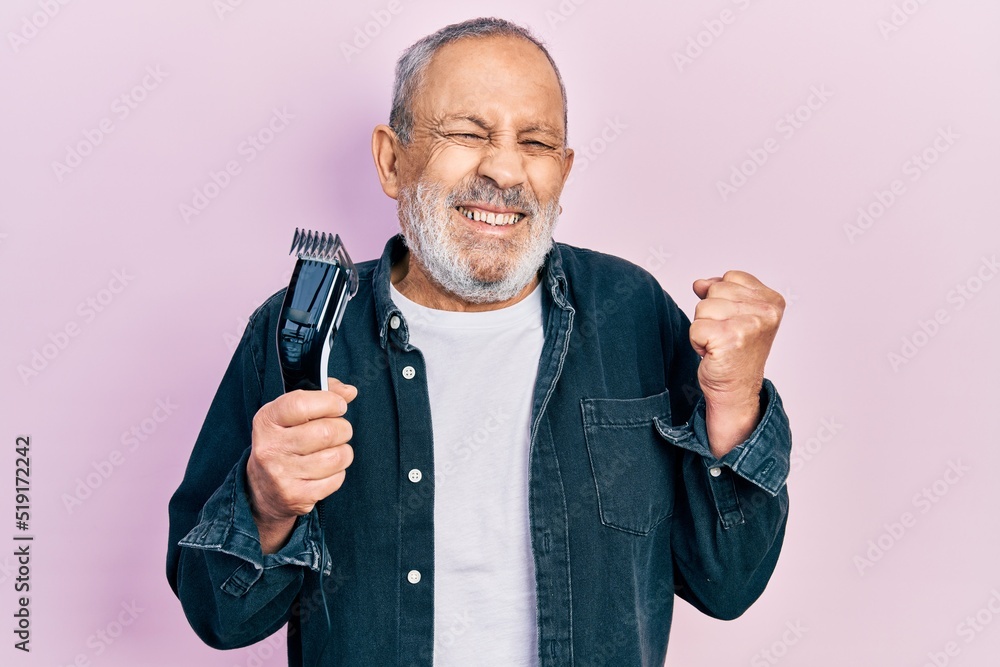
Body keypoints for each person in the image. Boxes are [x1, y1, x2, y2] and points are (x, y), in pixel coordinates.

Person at [167, 17, 791, 667]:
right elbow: (219, 614)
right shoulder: (298, 329)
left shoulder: (631, 310)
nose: (504, 168)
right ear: (391, 159)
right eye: (468, 133)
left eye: (537, 141)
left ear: (564, 170)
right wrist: (266, 504)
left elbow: (727, 584)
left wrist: (735, 403)